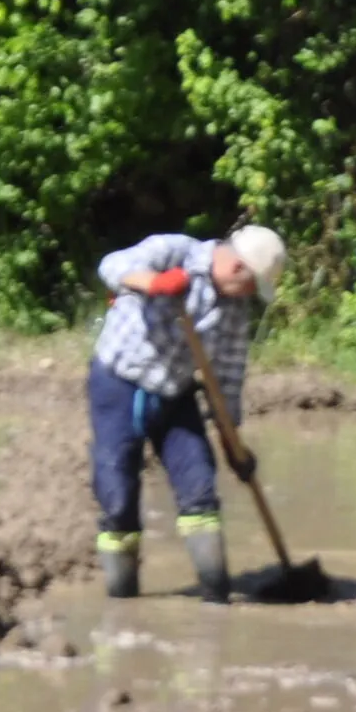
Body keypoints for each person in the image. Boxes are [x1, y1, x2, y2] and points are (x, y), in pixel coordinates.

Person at [89, 223, 284, 601]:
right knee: (117, 496)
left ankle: (215, 595)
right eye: (250, 286)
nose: (248, 296)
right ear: (237, 269)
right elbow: (111, 266)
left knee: (199, 486)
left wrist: (234, 446)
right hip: (119, 381)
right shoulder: (174, 250)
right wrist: (153, 283)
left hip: (175, 393)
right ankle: (123, 598)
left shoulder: (234, 311)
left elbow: (226, 377)